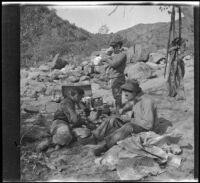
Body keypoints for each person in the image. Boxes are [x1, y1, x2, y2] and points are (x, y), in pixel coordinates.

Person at [88, 79, 158, 156]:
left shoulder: (147, 102)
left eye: (127, 92)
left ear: (134, 92)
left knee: (128, 126)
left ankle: (105, 146)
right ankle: (96, 136)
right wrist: (123, 109)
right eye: (125, 91)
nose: (125, 94)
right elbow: (130, 104)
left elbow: (148, 125)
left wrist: (131, 119)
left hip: (145, 130)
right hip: (136, 124)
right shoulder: (136, 98)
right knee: (113, 119)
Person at [101, 40, 127, 115]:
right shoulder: (113, 55)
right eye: (113, 46)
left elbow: (114, 64)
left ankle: (118, 113)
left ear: (119, 46)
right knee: (116, 96)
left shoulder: (122, 55)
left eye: (116, 46)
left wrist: (106, 58)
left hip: (118, 77)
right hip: (113, 77)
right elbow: (104, 60)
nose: (114, 48)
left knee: (117, 95)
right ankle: (119, 110)